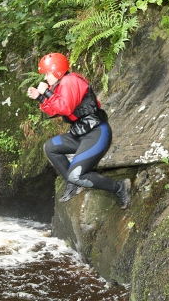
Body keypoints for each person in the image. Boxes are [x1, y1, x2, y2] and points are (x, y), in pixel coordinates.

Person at [27, 52, 131, 209]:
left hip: (97, 133)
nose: (46, 78)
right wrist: (40, 98)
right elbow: (55, 110)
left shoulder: (70, 81)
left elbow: (65, 107)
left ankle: (119, 187)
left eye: (47, 74)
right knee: (50, 147)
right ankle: (74, 184)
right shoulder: (61, 84)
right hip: (81, 133)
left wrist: (46, 92)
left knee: (77, 175)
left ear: (57, 71)